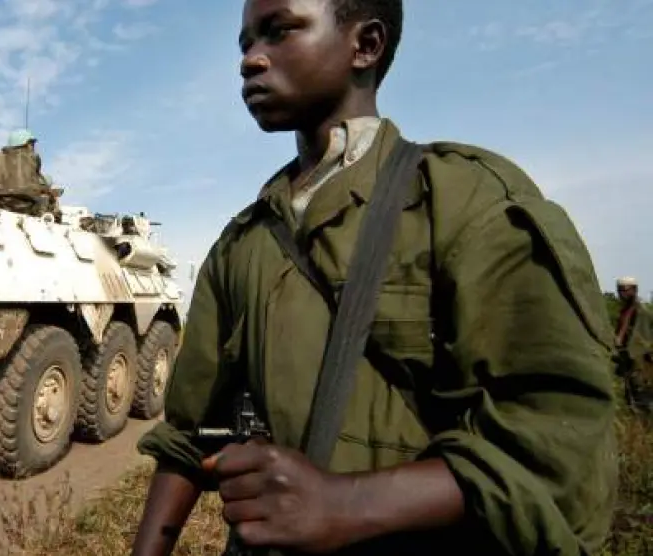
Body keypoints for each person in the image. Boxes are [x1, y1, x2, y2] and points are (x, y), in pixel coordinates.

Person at [131, 1, 618, 555]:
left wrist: (346, 504)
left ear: (365, 45)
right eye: (245, 44)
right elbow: (188, 437)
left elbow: (559, 449)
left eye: (278, 31)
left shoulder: (462, 202)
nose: (250, 60)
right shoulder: (243, 241)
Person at [0, 129, 59, 216]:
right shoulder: (33, 158)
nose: (33, 147)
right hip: (25, 208)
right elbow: (39, 186)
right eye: (31, 144)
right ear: (23, 144)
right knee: (46, 201)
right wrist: (50, 194)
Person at [613, 276, 653, 413]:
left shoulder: (641, 311)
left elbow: (642, 339)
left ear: (634, 290)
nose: (621, 293)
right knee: (630, 394)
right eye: (619, 290)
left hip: (638, 359)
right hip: (629, 357)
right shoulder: (625, 310)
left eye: (625, 290)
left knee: (641, 393)